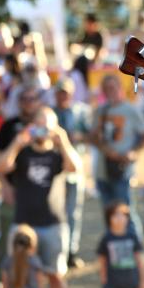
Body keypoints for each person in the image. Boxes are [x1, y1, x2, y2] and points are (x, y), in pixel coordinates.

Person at [0, 106, 80, 288]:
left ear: (55, 128)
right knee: (18, 272)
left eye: (46, 126)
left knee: (55, 276)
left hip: (53, 224)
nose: (42, 130)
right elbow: (0, 166)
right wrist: (17, 142)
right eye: (38, 125)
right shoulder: (22, 153)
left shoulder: (59, 155)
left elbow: (75, 168)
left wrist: (63, 140)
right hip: (23, 225)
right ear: (31, 127)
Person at [0, 86, 44, 288]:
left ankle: (33, 286)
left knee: (35, 242)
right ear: (19, 101)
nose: (29, 102)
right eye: (25, 98)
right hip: (14, 192)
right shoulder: (11, 125)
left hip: (38, 194)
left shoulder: (45, 124)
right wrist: (4, 185)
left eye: (33, 98)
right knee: (8, 240)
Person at [91, 75, 144, 243]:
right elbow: (93, 137)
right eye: (107, 88)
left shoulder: (131, 110)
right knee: (108, 211)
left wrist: (133, 152)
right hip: (103, 168)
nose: (111, 91)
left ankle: (134, 244)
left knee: (125, 210)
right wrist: (106, 150)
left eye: (113, 87)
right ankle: (114, 244)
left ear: (120, 88)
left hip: (122, 170)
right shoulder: (100, 111)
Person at [52, 77, 91, 269]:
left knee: (73, 211)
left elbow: (92, 134)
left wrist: (80, 136)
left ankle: (71, 250)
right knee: (57, 210)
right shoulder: (50, 114)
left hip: (75, 166)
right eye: (59, 93)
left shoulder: (80, 112)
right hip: (55, 169)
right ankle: (59, 248)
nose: (62, 97)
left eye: (66, 93)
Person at [97, 201, 144, 288]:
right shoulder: (107, 239)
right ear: (109, 218)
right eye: (116, 215)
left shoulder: (132, 237)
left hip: (130, 284)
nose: (120, 218)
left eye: (123, 215)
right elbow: (102, 261)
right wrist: (104, 280)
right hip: (112, 286)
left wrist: (143, 281)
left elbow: (139, 260)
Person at [1, 224, 46, 288]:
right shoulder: (35, 261)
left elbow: (5, 286)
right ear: (32, 244)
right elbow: (40, 283)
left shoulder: (7, 261)